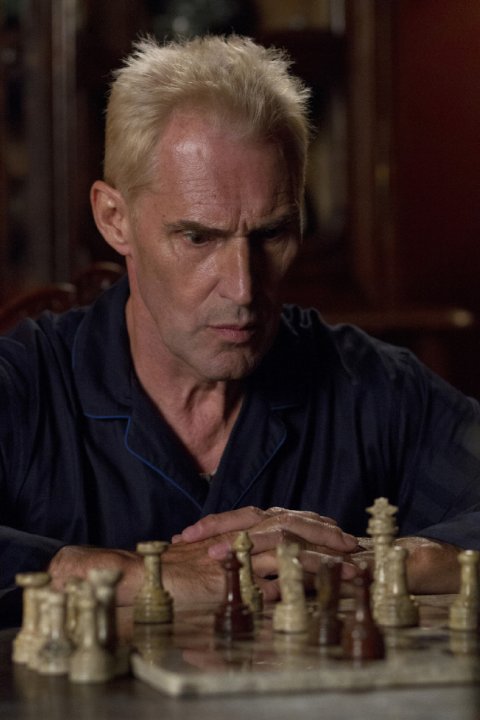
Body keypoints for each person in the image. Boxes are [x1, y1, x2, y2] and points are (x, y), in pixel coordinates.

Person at [1, 35, 480, 618]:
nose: (244, 288)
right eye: (198, 237)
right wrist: (127, 575)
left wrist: (390, 561)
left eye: (271, 234)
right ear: (114, 218)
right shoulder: (24, 386)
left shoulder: (374, 389)